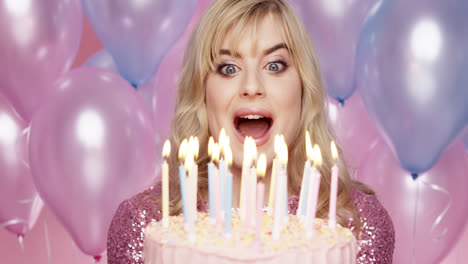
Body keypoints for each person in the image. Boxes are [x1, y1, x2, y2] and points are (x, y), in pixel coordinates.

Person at [107, 0, 395, 263]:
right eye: (229, 68)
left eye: (274, 65)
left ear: (303, 88)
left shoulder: (356, 224)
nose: (252, 86)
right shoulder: (144, 225)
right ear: (202, 93)